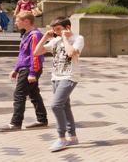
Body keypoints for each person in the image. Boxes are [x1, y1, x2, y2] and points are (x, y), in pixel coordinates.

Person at [34, 17, 84, 153]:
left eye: (58, 29)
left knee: (56, 105)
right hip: (55, 77)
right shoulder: (55, 40)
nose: (55, 33)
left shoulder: (78, 38)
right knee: (65, 106)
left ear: (67, 27)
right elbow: (36, 52)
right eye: (54, 30)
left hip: (69, 77)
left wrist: (65, 38)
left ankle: (62, 138)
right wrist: (45, 36)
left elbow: (71, 53)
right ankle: (73, 137)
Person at [0, 11, 48, 131]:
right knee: (34, 94)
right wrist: (16, 69)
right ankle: (42, 120)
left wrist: (32, 73)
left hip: (30, 69)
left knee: (19, 95)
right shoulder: (26, 34)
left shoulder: (35, 35)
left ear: (26, 21)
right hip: (25, 68)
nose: (15, 22)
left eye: (17, 20)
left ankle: (15, 123)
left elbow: (35, 55)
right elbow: (22, 55)